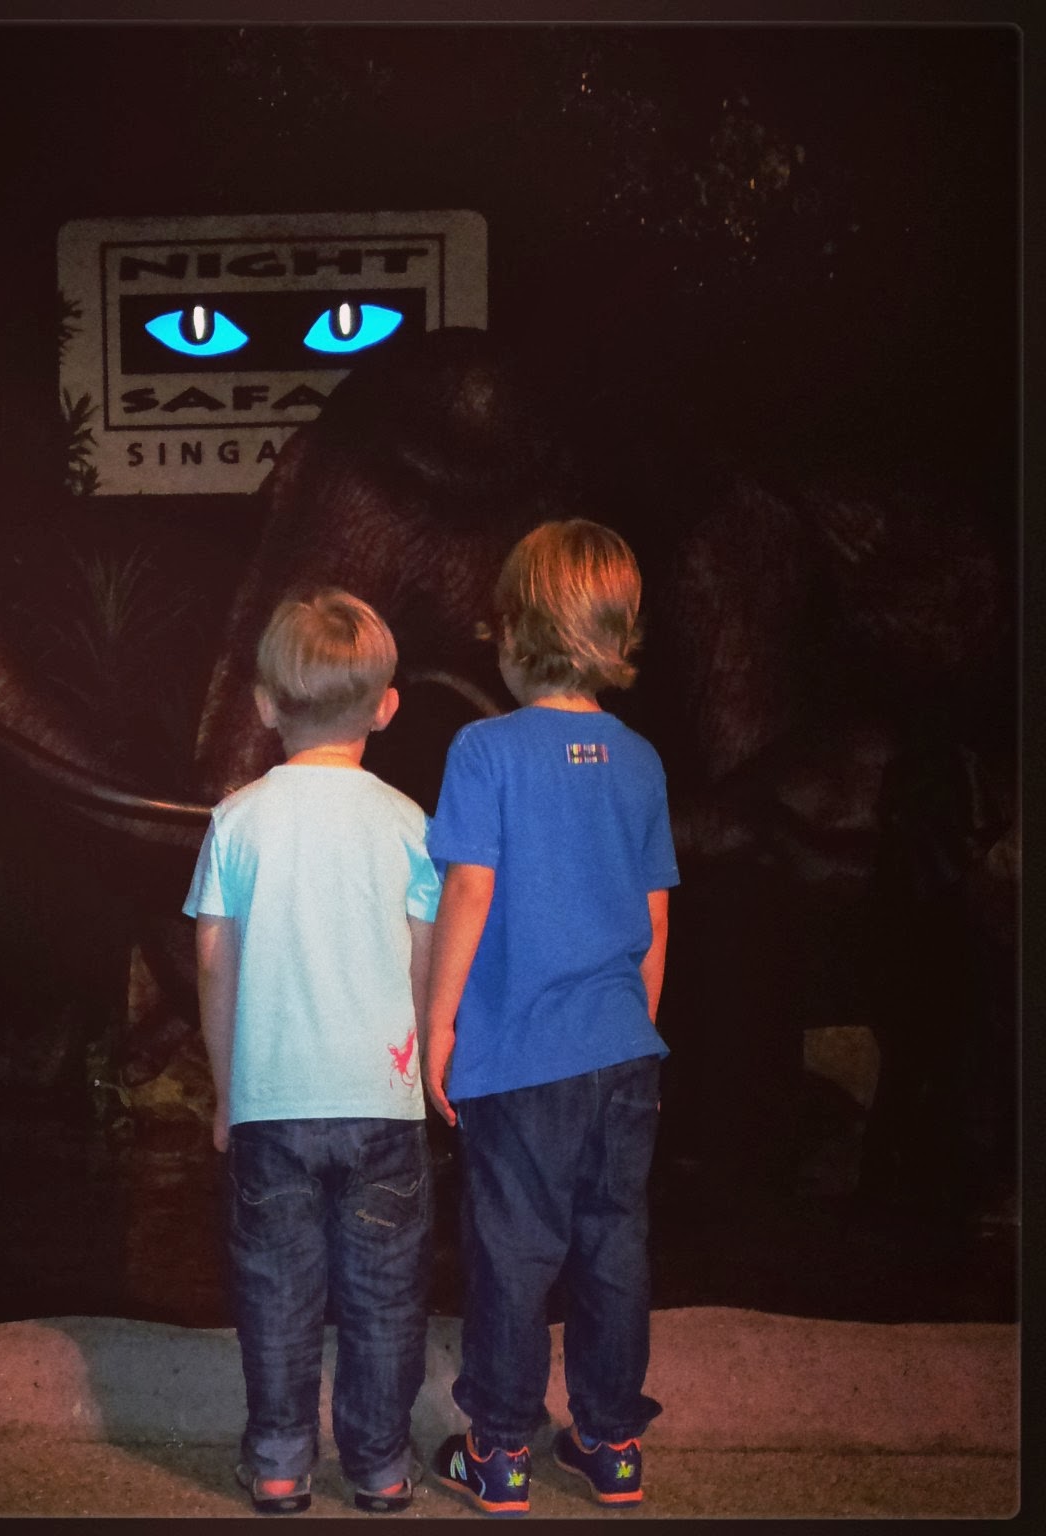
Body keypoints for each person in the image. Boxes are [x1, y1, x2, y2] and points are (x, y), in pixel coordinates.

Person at [423, 519, 678, 1514]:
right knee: (614, 1247)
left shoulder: (484, 749)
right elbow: (654, 918)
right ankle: (611, 1444)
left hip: (522, 1056)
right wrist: (634, 1031)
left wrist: (440, 1024)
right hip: (623, 1051)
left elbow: (470, 891)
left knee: (513, 1252)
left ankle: (499, 1451)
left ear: (514, 631)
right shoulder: (640, 760)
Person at [184, 589, 441, 1516]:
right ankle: (379, 1465)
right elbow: (424, 964)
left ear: (263, 705)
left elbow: (214, 967)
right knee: (385, 1296)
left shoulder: (237, 820)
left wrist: (225, 1092)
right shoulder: (411, 823)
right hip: (382, 1101)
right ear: (386, 706)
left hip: (274, 1104)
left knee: (276, 1291)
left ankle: (282, 1461)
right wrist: (420, 1070)